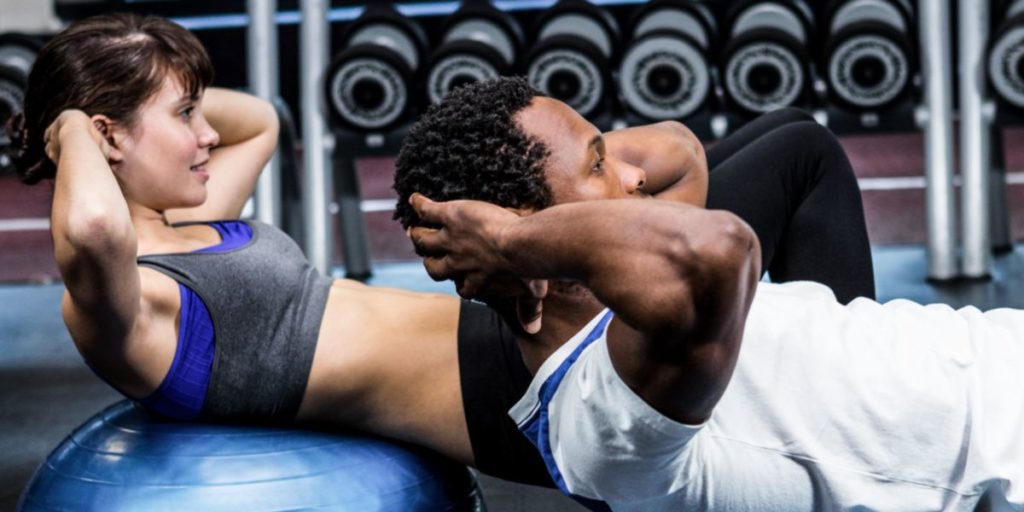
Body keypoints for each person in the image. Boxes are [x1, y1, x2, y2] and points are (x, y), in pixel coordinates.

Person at [8, 13, 872, 492]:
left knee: (791, 135)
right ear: (107, 136)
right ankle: (850, 388)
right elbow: (88, 229)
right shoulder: (122, 299)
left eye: (197, 110)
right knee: (803, 160)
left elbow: (260, 122)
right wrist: (69, 128)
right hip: (499, 387)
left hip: (491, 333)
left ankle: (821, 373)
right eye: (181, 115)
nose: (204, 134)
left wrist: (159, 77)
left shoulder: (183, 229)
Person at [395, 78, 1024, 509]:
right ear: (536, 238)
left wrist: (528, 229)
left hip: (1002, 350)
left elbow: (677, 152)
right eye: (598, 166)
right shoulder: (605, 410)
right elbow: (719, 247)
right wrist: (510, 242)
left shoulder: (623, 307)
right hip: (1008, 449)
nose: (634, 172)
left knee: (796, 138)